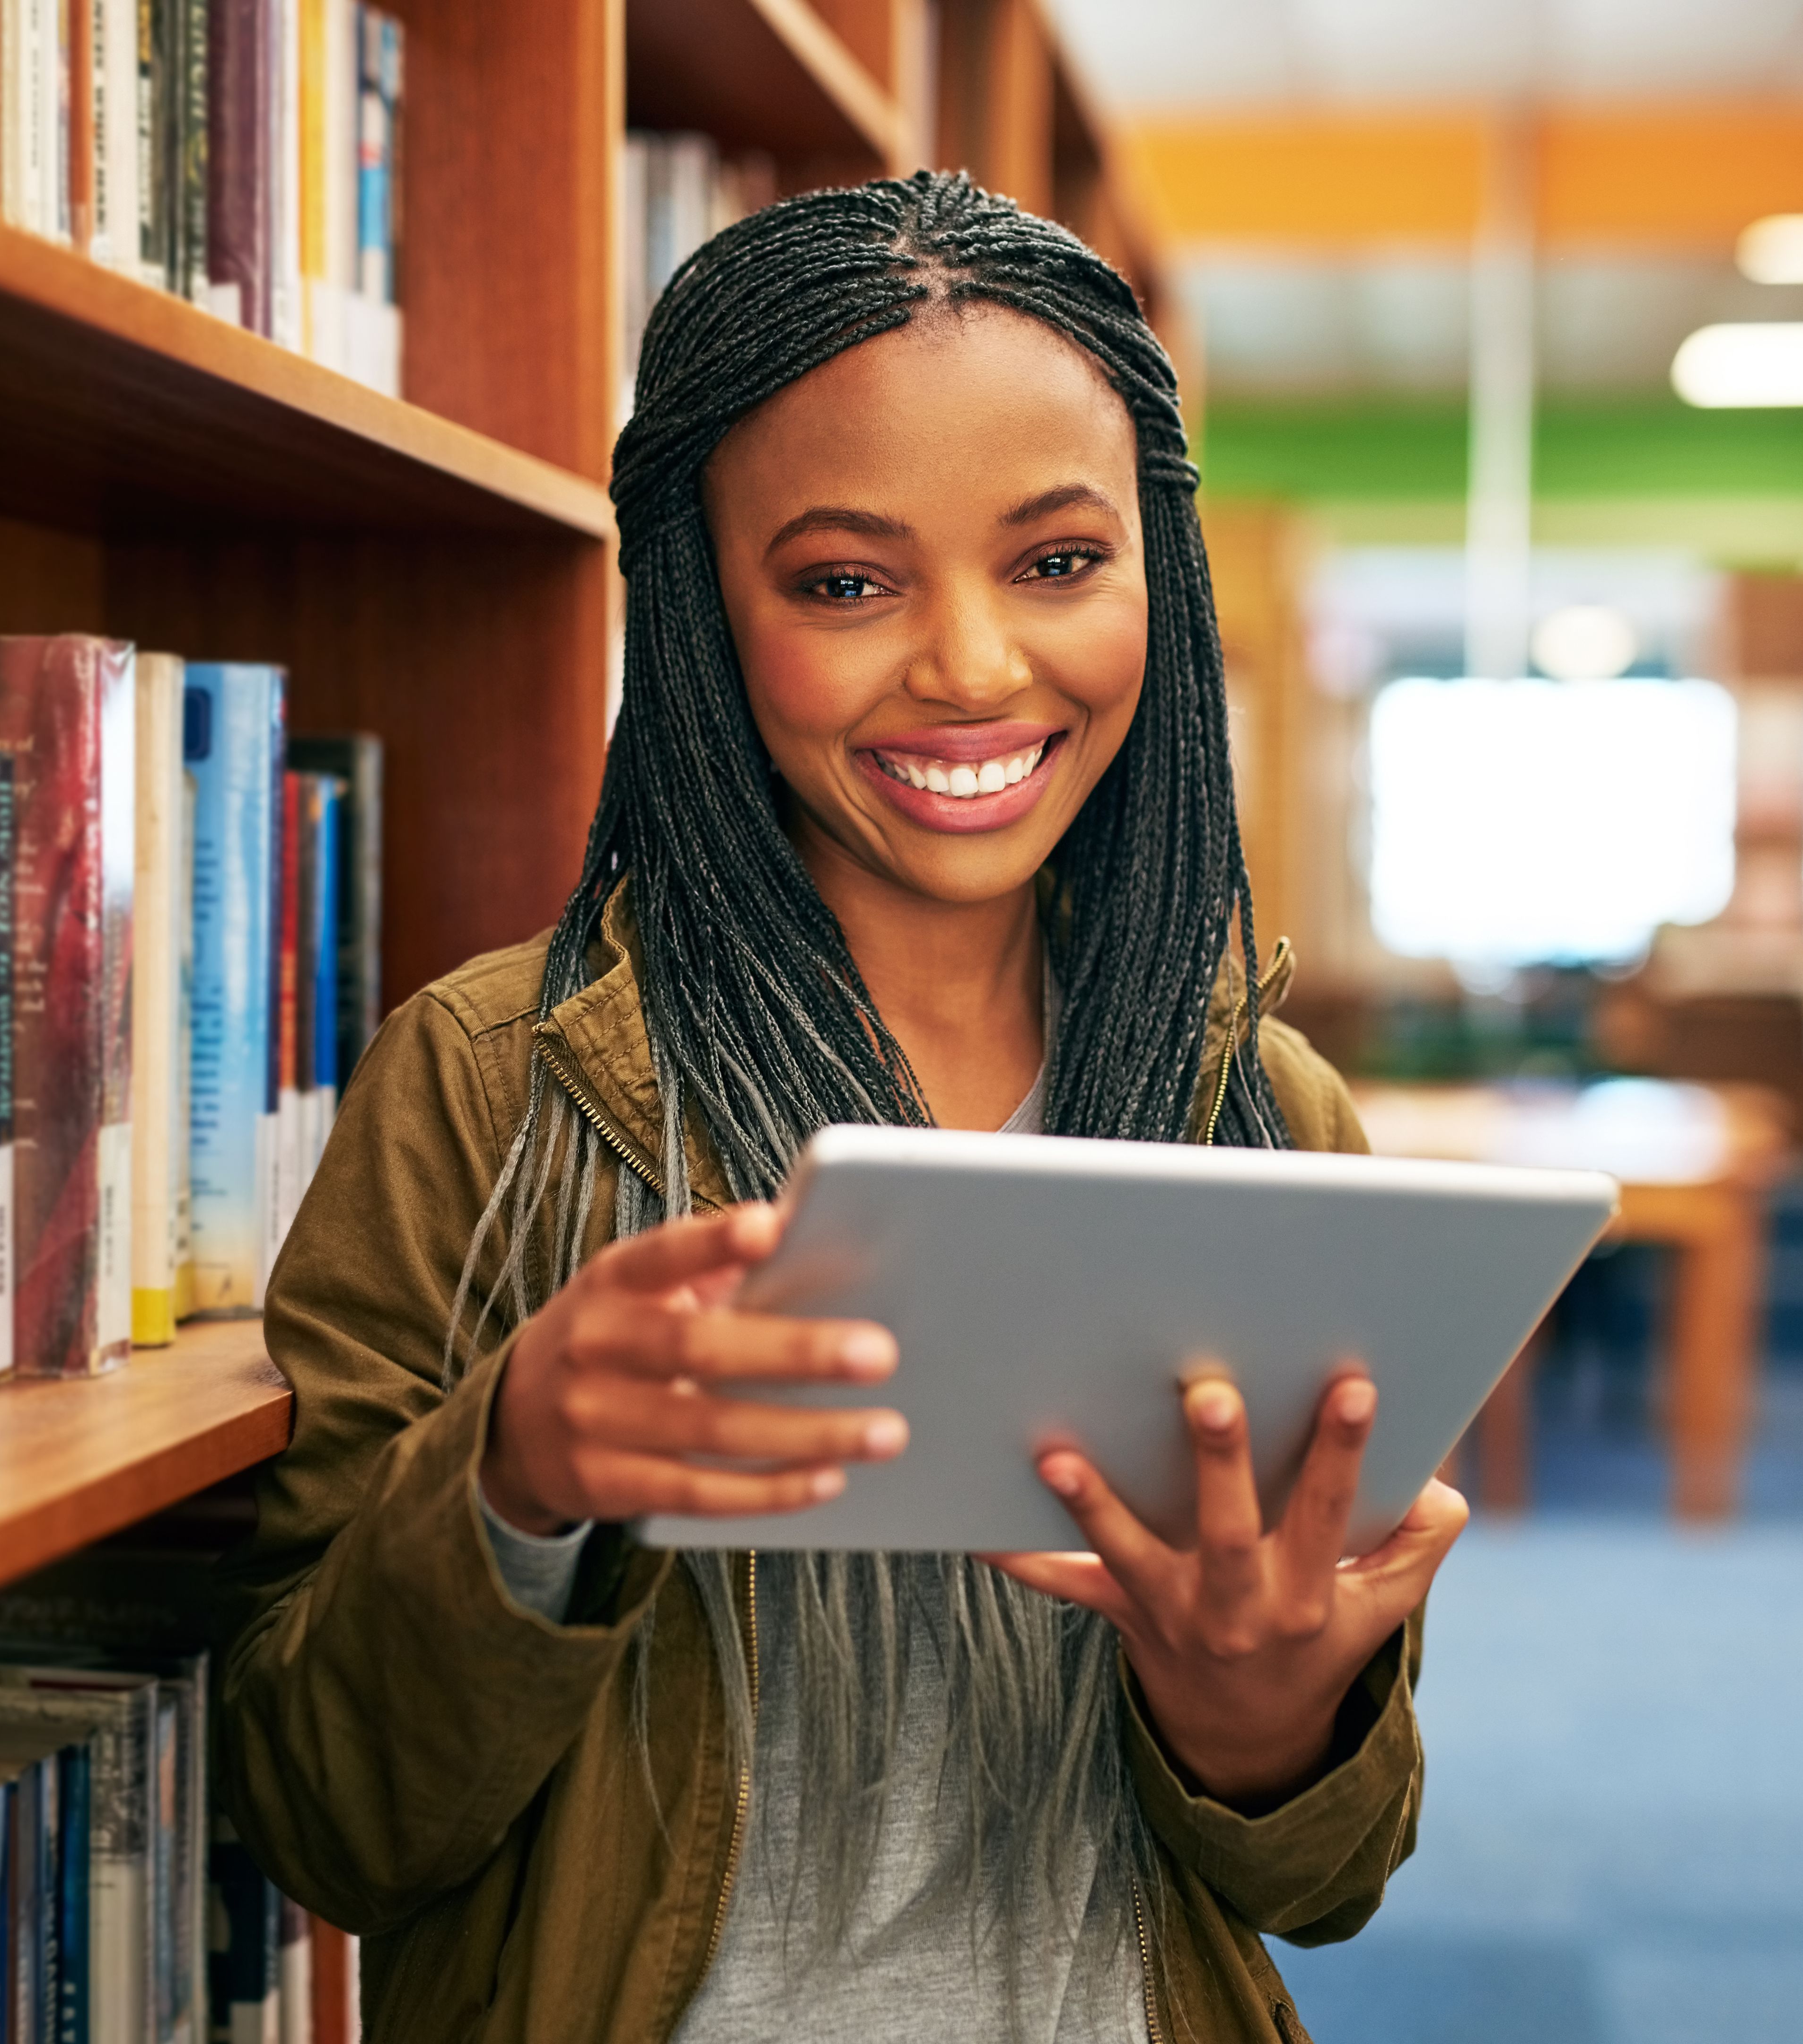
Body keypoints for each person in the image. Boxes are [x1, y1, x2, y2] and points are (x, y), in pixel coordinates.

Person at [217, 170, 1467, 2044]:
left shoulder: (1259, 1114)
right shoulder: (488, 1091)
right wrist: (518, 1480)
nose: (971, 666)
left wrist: (1260, 1711)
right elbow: (324, 1822)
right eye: (845, 584)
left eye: (1057, 562)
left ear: (1161, 572)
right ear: (706, 607)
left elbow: (1331, 1883)